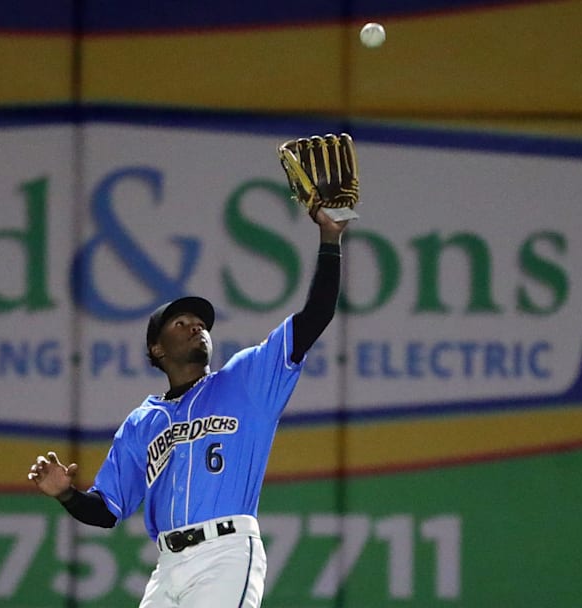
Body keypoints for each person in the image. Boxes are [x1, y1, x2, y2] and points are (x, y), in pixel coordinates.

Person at [28, 207, 348, 607]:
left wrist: (330, 238)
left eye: (202, 323)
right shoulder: (141, 424)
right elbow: (107, 510)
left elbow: (315, 315)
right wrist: (66, 495)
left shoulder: (244, 381)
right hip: (167, 566)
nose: (198, 326)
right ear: (156, 348)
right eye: (182, 323)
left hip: (225, 553)